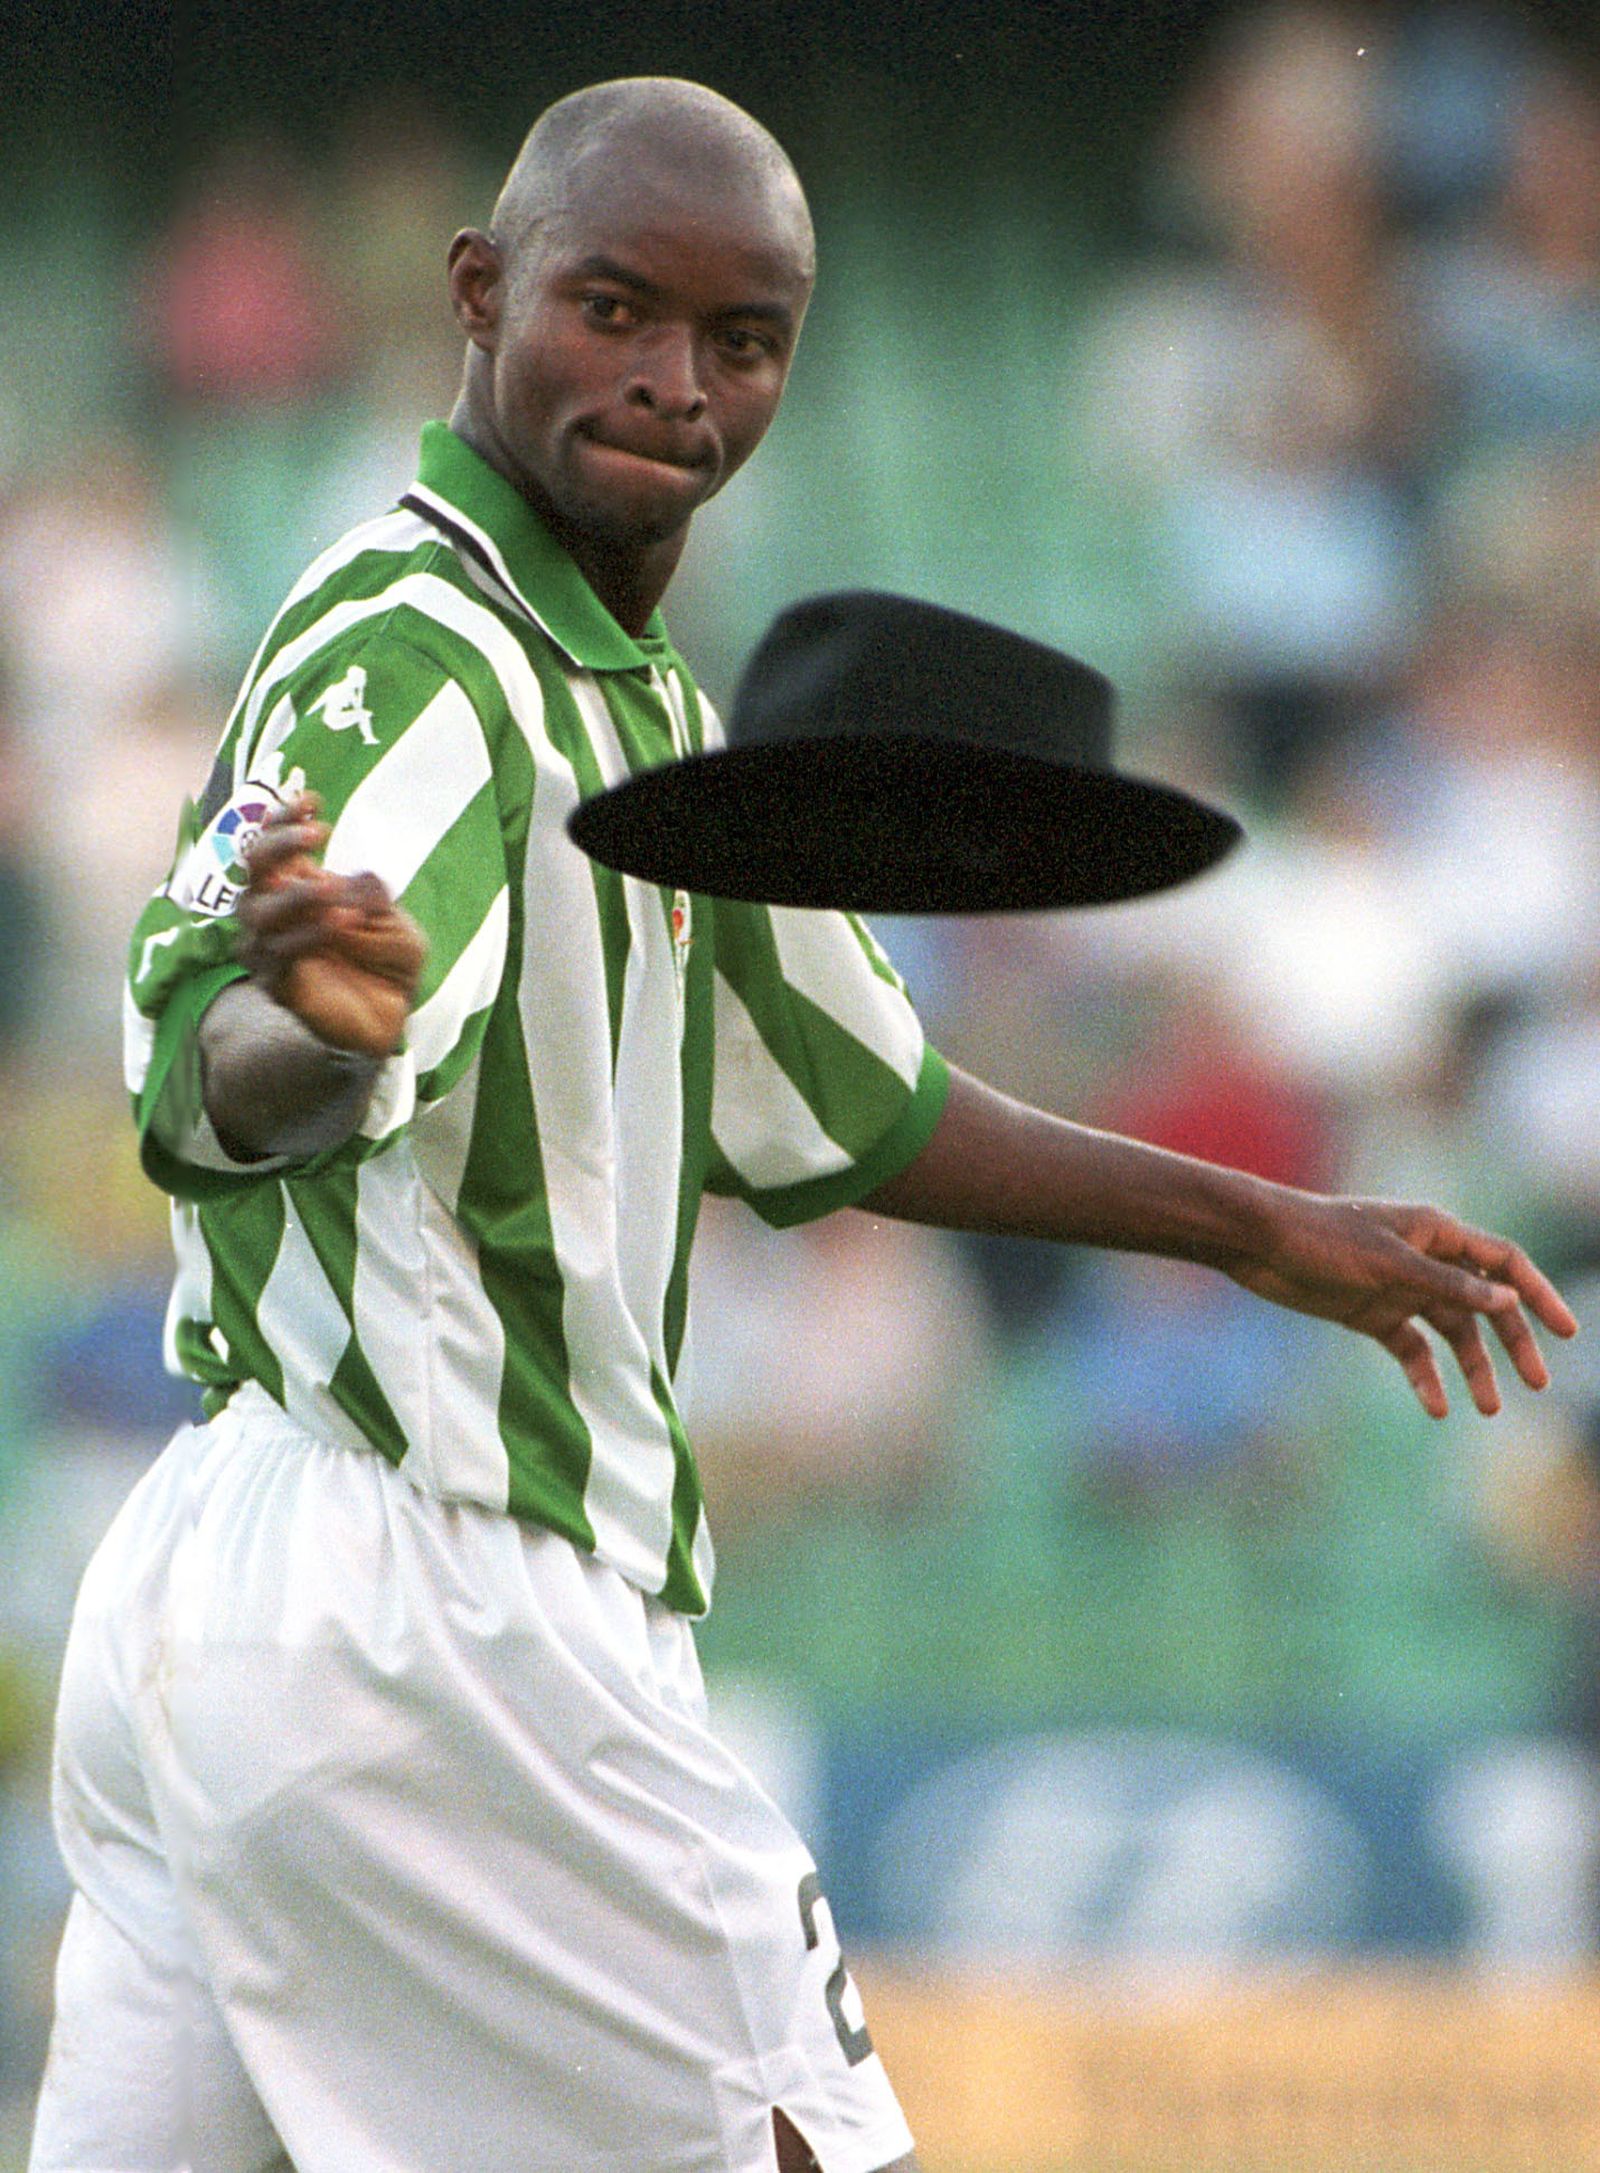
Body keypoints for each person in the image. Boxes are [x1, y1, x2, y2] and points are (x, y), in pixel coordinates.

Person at [32, 77, 1576, 2173]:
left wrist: (1257, 1228)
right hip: (443, 1594)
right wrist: (317, 1030)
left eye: (738, 339)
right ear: (478, 295)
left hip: (235, 1605)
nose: (674, 384)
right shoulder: (426, 656)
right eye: (613, 309)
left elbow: (855, 1100)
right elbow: (226, 1060)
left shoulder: (640, 709)